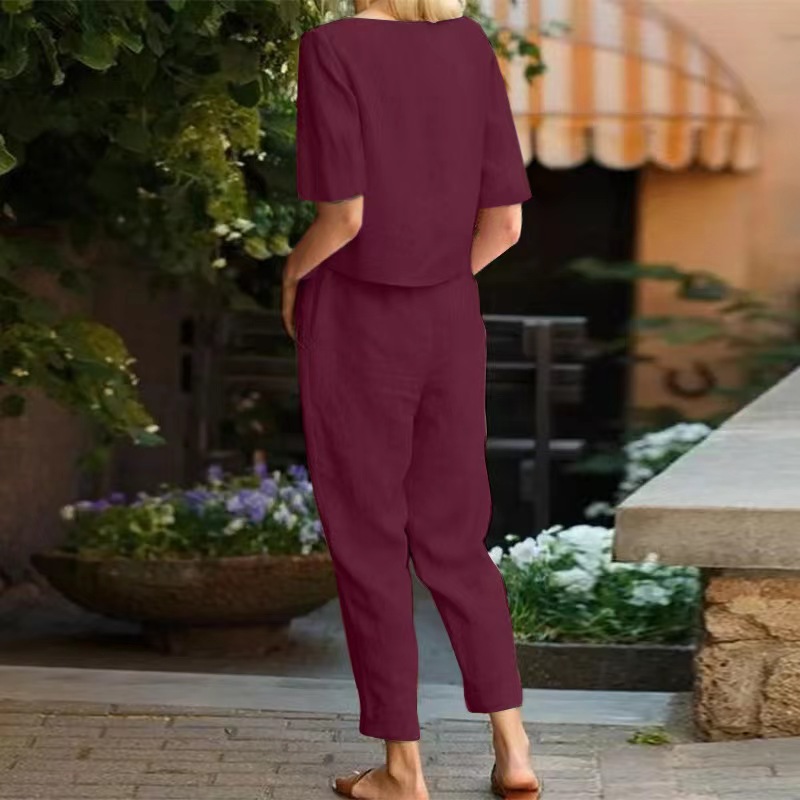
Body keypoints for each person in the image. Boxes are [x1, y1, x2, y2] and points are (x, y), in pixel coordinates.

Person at [282, 1, 540, 797]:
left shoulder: (331, 48)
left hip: (358, 320)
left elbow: (344, 216)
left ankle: (404, 769)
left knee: (369, 541)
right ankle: (515, 751)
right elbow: (506, 225)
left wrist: (293, 272)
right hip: (450, 315)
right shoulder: (469, 46)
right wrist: (435, 277)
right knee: (456, 539)